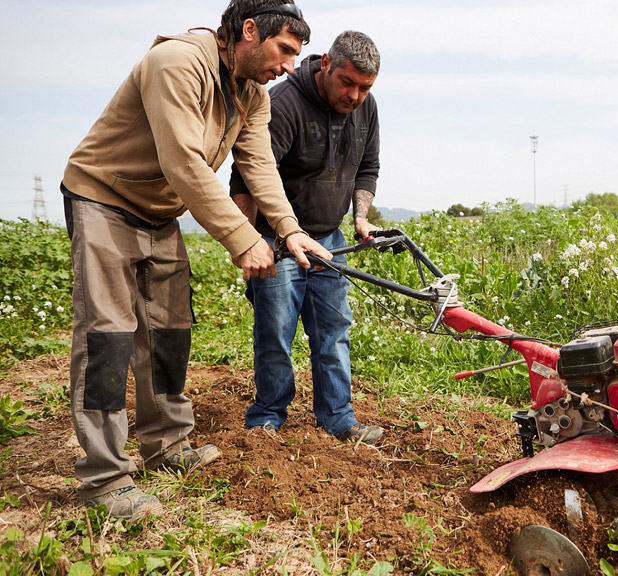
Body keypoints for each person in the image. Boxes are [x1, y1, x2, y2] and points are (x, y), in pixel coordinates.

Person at [61, 0, 333, 522]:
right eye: (284, 50)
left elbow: (259, 164)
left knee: (169, 330)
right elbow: (182, 160)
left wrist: (290, 229)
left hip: (159, 211)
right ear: (249, 30)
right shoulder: (177, 62)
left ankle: (166, 446)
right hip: (104, 198)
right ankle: (105, 479)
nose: (289, 66)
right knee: (109, 336)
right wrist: (242, 238)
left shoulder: (252, 94)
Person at [230, 31, 384, 445]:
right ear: (327, 64)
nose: (354, 96)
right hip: (277, 241)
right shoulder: (284, 104)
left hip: (330, 240)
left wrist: (361, 219)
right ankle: (267, 418)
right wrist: (247, 242)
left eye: (365, 88)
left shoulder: (366, 107)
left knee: (334, 330)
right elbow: (246, 176)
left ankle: (338, 418)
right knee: (276, 332)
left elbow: (367, 167)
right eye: (347, 83)